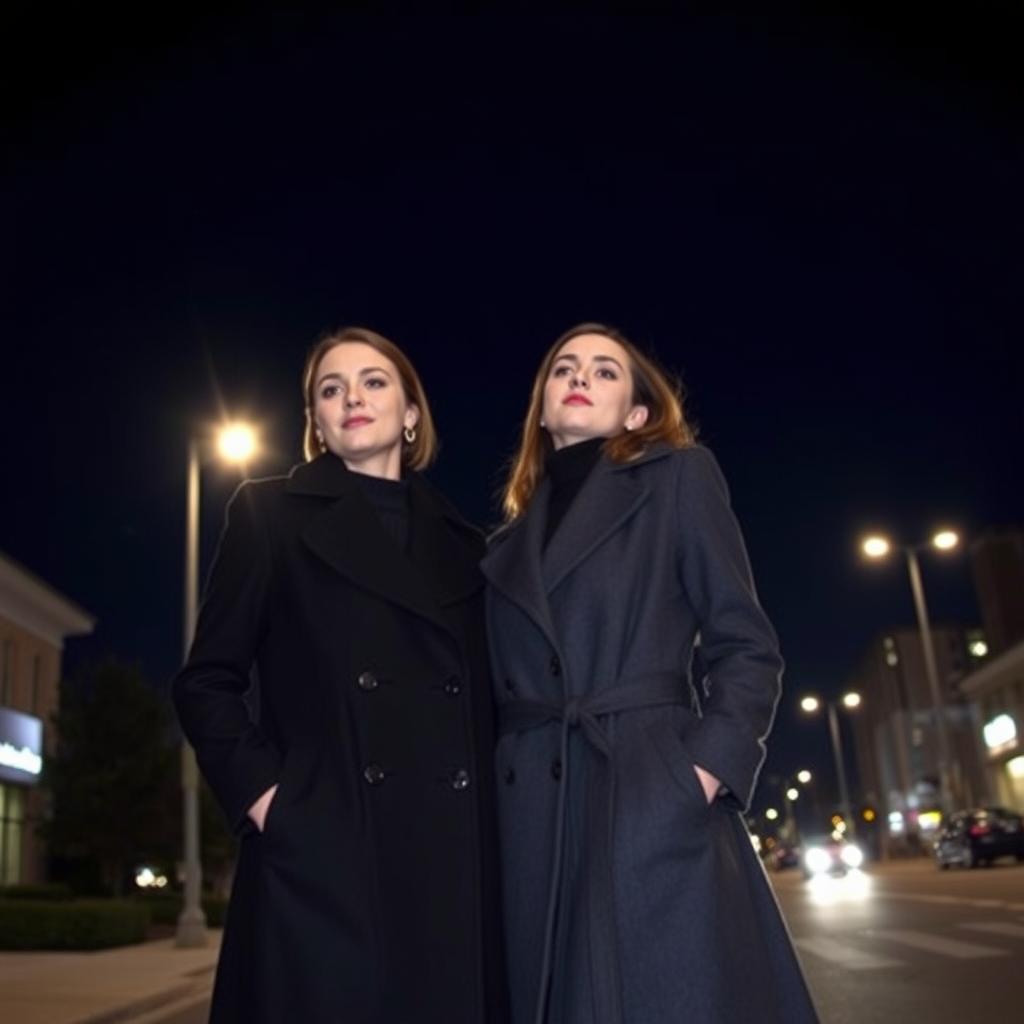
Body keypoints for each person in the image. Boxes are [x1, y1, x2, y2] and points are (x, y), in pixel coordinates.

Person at [481, 323, 818, 1024]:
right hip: (534, 820)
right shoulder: (503, 545)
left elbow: (745, 643)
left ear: (637, 412)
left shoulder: (678, 479)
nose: (580, 377)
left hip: (644, 789)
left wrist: (699, 772)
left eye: (606, 372)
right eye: (564, 368)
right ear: (542, 409)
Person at [174, 327, 506, 1024]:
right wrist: (271, 800)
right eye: (332, 388)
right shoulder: (267, 515)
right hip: (324, 857)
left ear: (412, 412)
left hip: (449, 870)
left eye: (374, 381)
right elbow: (207, 680)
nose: (352, 397)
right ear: (317, 424)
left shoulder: (469, 547)